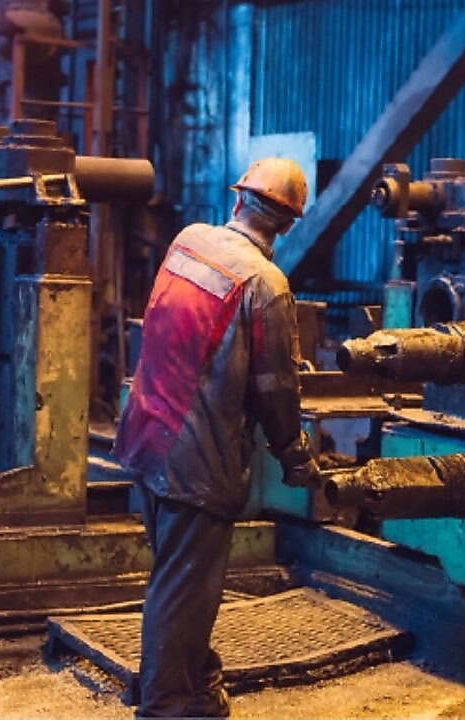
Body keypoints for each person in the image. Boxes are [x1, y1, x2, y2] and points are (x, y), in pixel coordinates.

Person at [113, 157, 320, 718]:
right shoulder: (266, 283)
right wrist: (296, 457)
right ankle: (165, 706)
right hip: (196, 463)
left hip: (146, 436)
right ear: (288, 221)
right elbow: (277, 390)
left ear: (238, 200)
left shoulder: (188, 242)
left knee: (180, 580)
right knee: (182, 592)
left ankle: (199, 684)